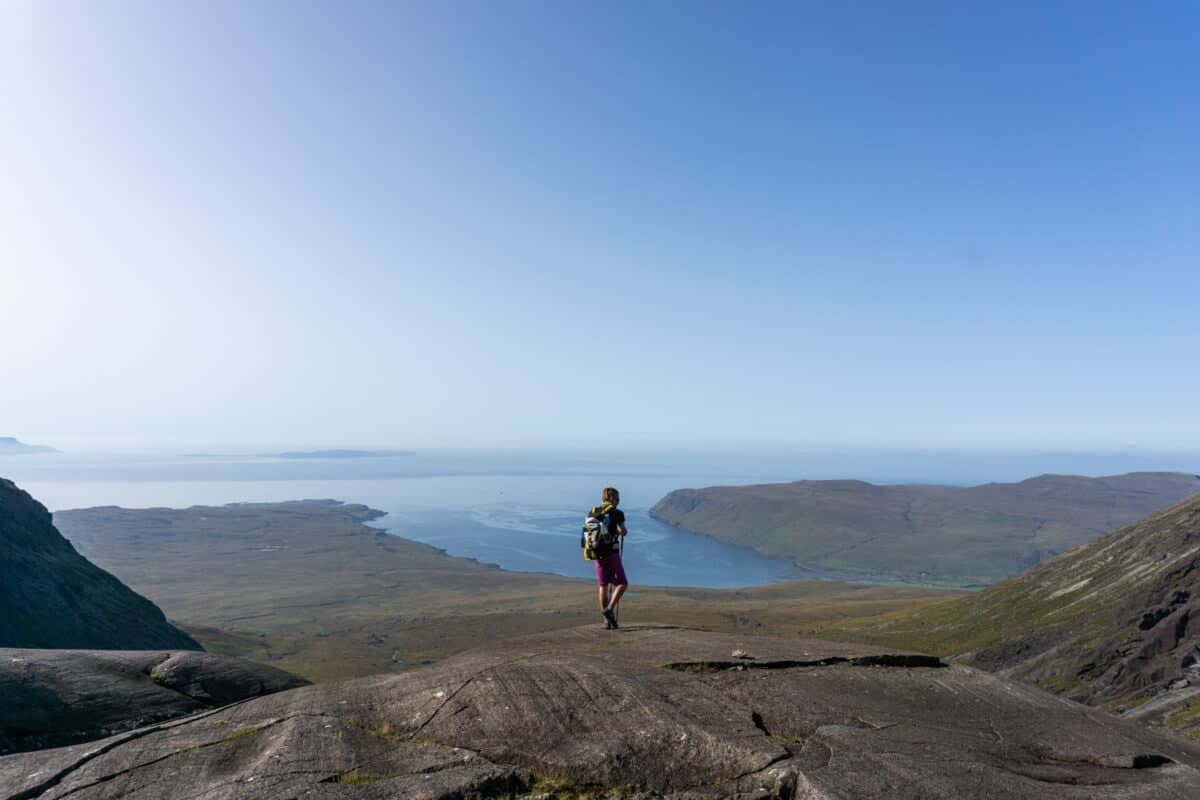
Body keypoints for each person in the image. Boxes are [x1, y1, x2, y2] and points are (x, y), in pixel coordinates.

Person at [594, 487, 628, 629]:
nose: (619, 500)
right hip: (612, 553)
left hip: (597, 553)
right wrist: (620, 532)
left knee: (603, 585)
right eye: (617, 498)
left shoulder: (594, 511)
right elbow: (623, 531)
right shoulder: (617, 513)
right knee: (622, 583)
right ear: (611, 498)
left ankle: (606, 621)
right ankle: (609, 609)